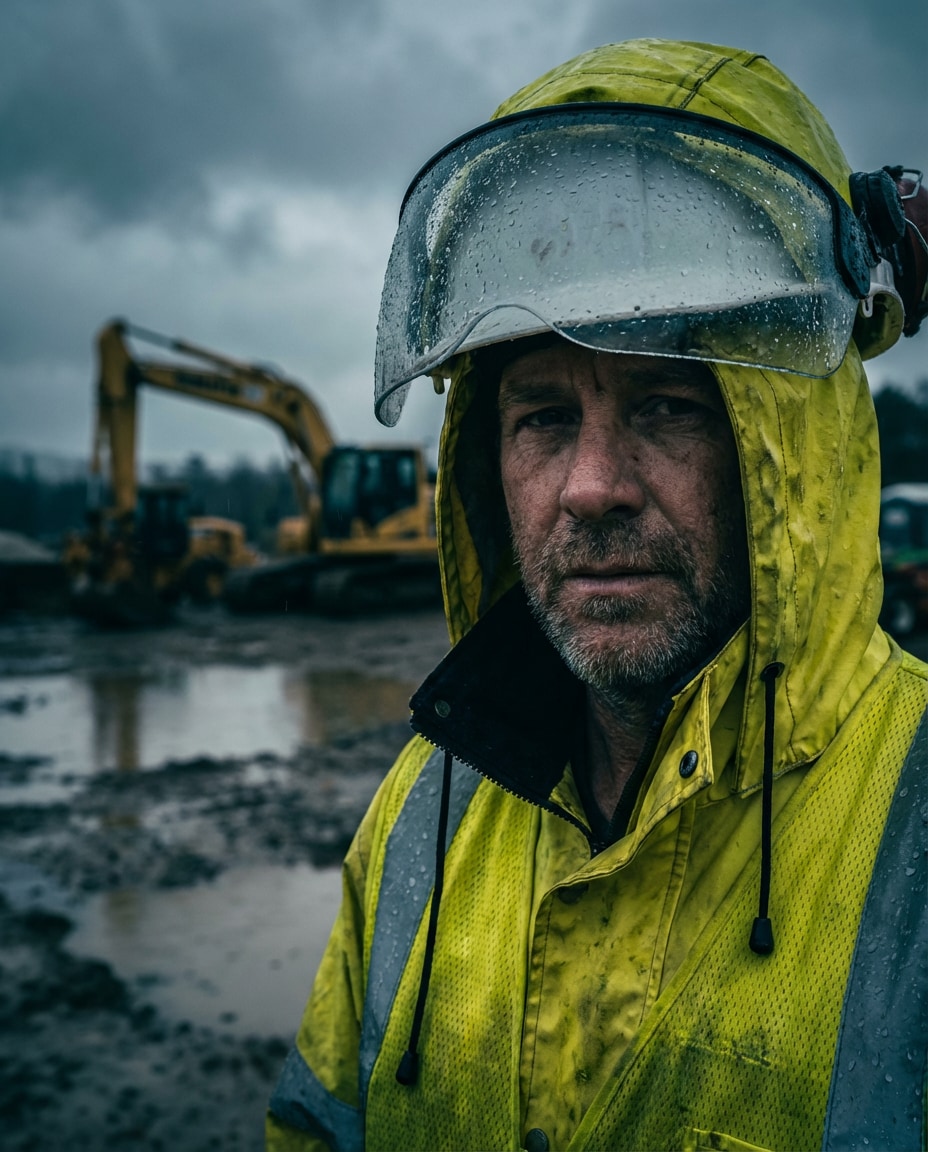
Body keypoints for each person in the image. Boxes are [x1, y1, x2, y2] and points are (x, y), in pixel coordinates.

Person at [267, 39, 927, 1152]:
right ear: (486, 459)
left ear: (785, 450)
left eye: (667, 404)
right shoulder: (423, 809)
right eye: (541, 418)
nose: (589, 488)